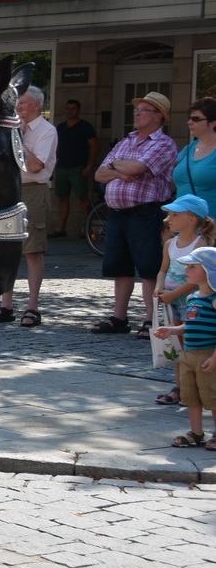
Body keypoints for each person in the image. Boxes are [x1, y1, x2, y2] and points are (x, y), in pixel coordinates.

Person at [91, 92, 178, 335]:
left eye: (143, 110)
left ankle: (151, 319)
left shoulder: (163, 144)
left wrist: (116, 165)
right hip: (117, 214)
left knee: (149, 268)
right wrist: (121, 171)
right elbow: (99, 173)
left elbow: (138, 168)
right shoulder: (126, 141)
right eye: (136, 110)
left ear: (159, 116)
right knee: (119, 267)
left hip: (145, 213)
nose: (137, 114)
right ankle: (119, 318)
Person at [0, 86, 56, 326]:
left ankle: (32, 307)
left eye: (22, 103)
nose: (18, 108)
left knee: (32, 250)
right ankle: (6, 305)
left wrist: (18, 140)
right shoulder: (13, 126)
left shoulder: (47, 131)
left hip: (34, 191)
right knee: (6, 248)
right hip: (9, 190)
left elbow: (35, 166)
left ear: (36, 104)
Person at [152, 194, 213, 406]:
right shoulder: (169, 243)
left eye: (174, 215)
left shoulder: (201, 244)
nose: (168, 219)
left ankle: (196, 387)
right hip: (170, 303)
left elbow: (197, 279)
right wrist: (159, 288)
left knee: (191, 346)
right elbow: (163, 270)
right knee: (175, 346)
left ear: (191, 219)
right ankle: (180, 386)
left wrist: (172, 294)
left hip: (191, 303)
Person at [152, 247, 216, 450]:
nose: (186, 270)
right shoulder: (192, 298)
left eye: (192, 266)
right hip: (188, 355)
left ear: (208, 271)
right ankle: (196, 433)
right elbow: (190, 325)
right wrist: (172, 330)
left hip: (208, 356)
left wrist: (215, 357)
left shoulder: (213, 299)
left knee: (212, 396)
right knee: (190, 395)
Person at [51, 99, 98, 237]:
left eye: (73, 108)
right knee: (62, 197)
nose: (70, 111)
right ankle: (60, 228)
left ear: (78, 110)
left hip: (78, 167)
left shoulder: (85, 126)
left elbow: (94, 146)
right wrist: (52, 166)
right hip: (61, 166)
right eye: (68, 108)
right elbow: (56, 148)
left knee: (83, 197)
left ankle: (87, 228)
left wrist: (89, 166)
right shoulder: (60, 127)